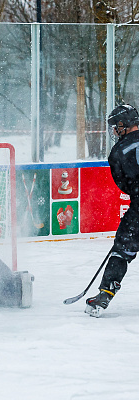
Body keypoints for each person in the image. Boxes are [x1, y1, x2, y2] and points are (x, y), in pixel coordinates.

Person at [85, 104, 139, 317]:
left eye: (115, 127)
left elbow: (123, 184)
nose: (114, 132)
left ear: (122, 124)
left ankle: (105, 295)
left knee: (122, 249)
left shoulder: (118, 151)